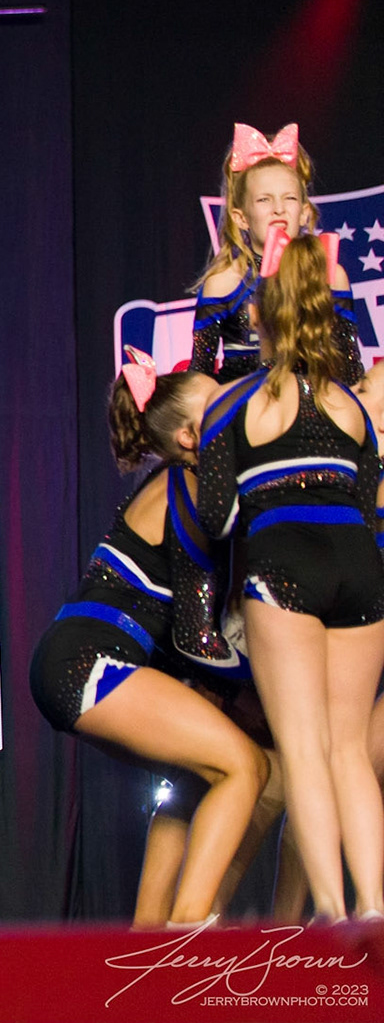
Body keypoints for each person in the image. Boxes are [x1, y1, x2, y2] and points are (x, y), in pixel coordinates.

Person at [30, 352, 267, 925]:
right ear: (189, 438)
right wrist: (270, 683)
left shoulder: (190, 484)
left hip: (84, 657)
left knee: (198, 775)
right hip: (88, 660)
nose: (235, 409)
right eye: (219, 405)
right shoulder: (186, 487)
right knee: (245, 766)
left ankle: (148, 938)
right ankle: (189, 929)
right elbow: (194, 640)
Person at [196, 231, 384, 922]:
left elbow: (217, 518)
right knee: (349, 751)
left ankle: (331, 910)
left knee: (303, 752)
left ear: (257, 316)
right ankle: (375, 905)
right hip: (360, 569)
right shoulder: (351, 405)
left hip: (285, 566)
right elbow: (366, 500)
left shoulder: (232, 403)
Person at [189, 124, 360, 384]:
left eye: (289, 198)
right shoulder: (224, 283)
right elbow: (199, 377)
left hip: (317, 400)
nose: (278, 209)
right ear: (240, 217)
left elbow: (351, 370)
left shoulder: (330, 275)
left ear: (304, 212)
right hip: (245, 402)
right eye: (264, 200)